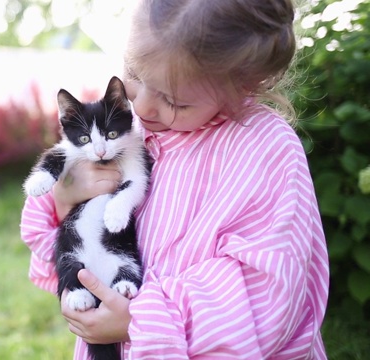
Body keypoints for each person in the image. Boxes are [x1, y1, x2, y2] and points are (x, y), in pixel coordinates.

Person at [19, 0, 329, 358]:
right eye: (134, 74)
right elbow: (52, 240)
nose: (145, 107)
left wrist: (140, 320)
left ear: (244, 84)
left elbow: (266, 290)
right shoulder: (127, 133)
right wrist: (63, 200)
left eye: (176, 102)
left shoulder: (262, 147)